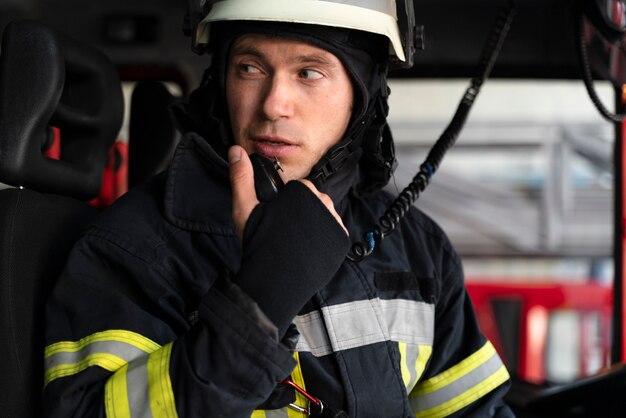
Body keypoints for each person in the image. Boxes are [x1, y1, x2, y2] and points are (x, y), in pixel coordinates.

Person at [42, 0, 515, 416]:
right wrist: (255, 307)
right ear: (221, 79)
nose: (273, 104)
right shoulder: (133, 248)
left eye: (309, 72)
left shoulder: (417, 248)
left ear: (363, 96)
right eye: (250, 67)